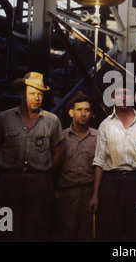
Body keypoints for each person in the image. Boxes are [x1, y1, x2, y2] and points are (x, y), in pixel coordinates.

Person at [0, 71, 65, 241]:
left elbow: (59, 151)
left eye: (40, 94)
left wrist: (47, 171)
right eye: (32, 93)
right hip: (9, 183)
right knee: (6, 228)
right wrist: (4, 169)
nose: (36, 97)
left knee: (36, 230)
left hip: (39, 184)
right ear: (21, 94)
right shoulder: (4, 118)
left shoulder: (52, 121)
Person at [88, 83, 136, 242]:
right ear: (112, 98)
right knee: (108, 231)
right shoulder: (106, 125)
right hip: (111, 183)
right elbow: (99, 161)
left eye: (128, 94)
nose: (123, 97)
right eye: (119, 94)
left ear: (134, 97)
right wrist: (95, 194)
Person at [54, 91, 98, 242]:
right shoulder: (61, 137)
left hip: (89, 193)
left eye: (87, 110)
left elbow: (102, 167)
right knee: (66, 234)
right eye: (79, 110)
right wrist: (55, 191)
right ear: (71, 112)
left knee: (88, 235)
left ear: (91, 113)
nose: (83, 114)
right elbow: (53, 165)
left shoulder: (98, 137)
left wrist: (96, 195)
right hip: (67, 194)